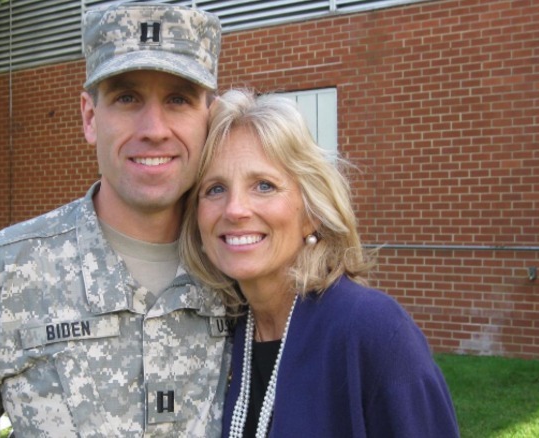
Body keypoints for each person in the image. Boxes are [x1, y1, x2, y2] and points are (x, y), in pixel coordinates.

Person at [0, 3, 230, 436]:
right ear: (90, 117)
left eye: (178, 99)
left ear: (208, 118)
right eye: (127, 97)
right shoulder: (2, 272)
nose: (154, 127)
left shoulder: (239, 269)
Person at [181, 89, 460, 437]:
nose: (235, 209)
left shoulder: (374, 332)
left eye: (264, 186)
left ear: (311, 213)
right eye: (215, 189)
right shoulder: (219, 333)